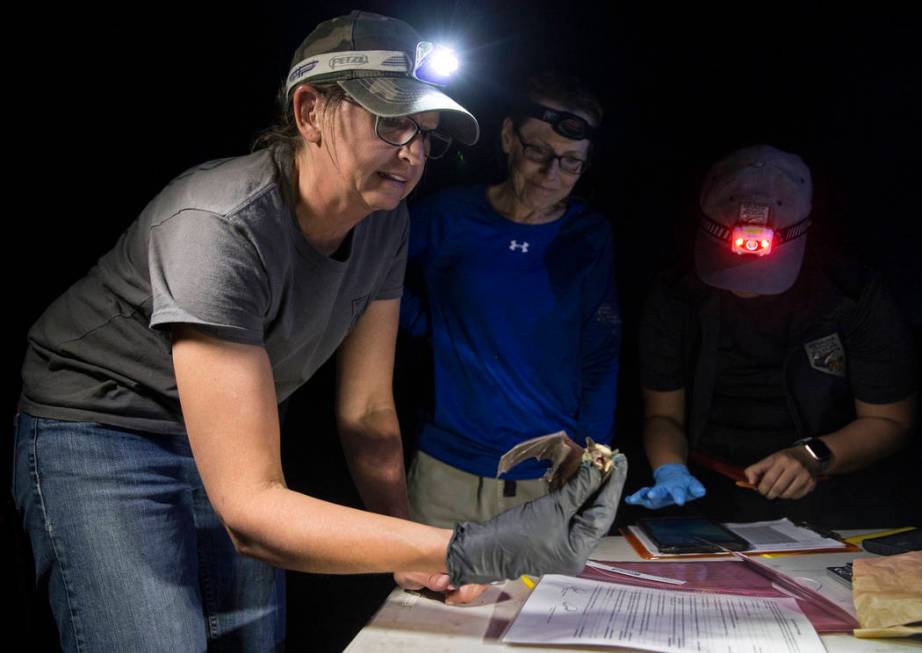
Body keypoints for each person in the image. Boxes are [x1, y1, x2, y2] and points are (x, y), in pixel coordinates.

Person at [12, 12, 623, 651]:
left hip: (224, 425)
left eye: (426, 133)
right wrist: (464, 545)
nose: (413, 153)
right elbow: (252, 513)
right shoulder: (217, 225)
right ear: (309, 112)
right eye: (392, 123)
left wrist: (406, 547)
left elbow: (366, 412)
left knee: (253, 640)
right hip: (101, 427)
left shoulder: (386, 220)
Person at [626, 144, 917, 528]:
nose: (745, 285)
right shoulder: (676, 293)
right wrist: (669, 469)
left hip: (827, 495)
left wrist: (814, 456)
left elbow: (890, 421)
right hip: (706, 489)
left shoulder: (852, 295)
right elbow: (663, 413)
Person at [400, 72, 621, 527]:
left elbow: (601, 349)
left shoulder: (590, 235)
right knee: (423, 597)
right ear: (508, 137)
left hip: (549, 476)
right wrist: (429, 323)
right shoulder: (448, 215)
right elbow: (372, 276)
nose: (551, 174)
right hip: (446, 470)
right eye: (538, 151)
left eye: (571, 162)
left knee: (548, 599)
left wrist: (594, 455)